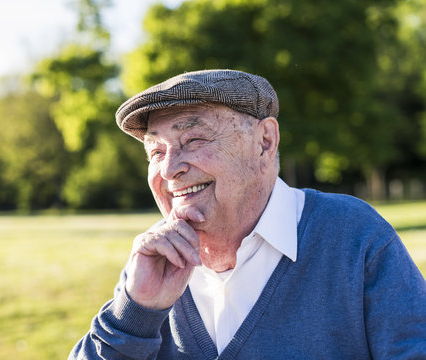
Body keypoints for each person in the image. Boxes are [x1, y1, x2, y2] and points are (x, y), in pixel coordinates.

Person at [69, 69, 426, 359]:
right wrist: (135, 314)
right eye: (156, 152)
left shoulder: (354, 237)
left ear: (265, 142)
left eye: (193, 140)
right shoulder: (153, 258)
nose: (168, 170)